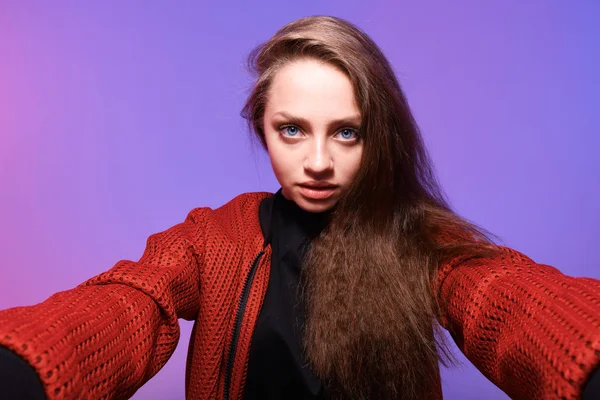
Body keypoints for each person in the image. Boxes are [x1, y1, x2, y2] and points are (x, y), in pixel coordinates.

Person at [0, 15, 598, 400]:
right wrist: (24, 366)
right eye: (292, 130)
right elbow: (132, 303)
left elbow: (507, 298)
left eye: (346, 132)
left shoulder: (418, 240)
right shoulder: (214, 237)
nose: (316, 160)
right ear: (261, 129)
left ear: (379, 137)